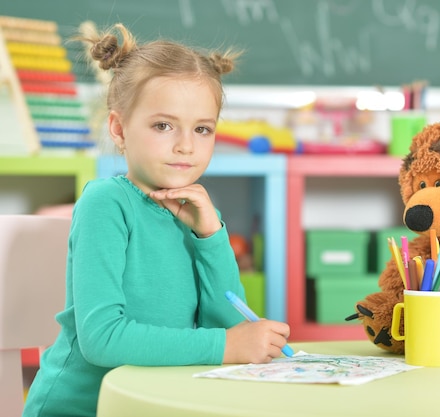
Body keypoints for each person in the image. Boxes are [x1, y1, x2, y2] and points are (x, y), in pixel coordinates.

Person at [23, 23, 291, 417]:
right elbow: (102, 340)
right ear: (119, 129)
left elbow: (227, 321)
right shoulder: (107, 203)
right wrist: (227, 346)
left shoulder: (202, 215)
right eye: (163, 125)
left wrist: (211, 237)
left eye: (202, 129)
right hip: (83, 408)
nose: (185, 145)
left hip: (160, 403)